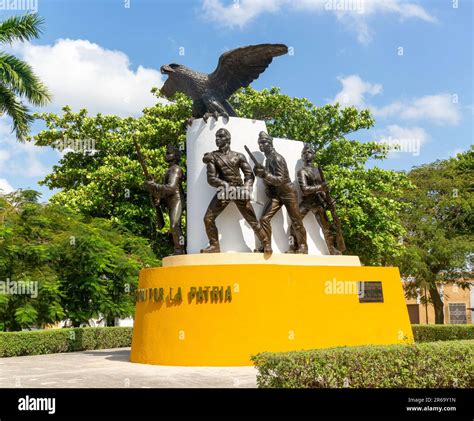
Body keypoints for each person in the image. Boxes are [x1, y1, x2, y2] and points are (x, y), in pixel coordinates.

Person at [201, 128, 270, 253]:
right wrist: (225, 185)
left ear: (228, 139)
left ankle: (266, 245)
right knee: (208, 218)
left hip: (239, 191)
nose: (217, 139)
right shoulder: (213, 157)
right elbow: (211, 179)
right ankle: (214, 246)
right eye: (216, 137)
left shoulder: (239, 156)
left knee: (252, 220)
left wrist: (246, 188)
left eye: (220, 136)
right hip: (224, 191)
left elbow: (249, 175)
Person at [254, 131, 308, 254]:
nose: (261, 145)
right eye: (259, 143)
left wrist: (264, 174)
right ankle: (266, 245)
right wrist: (261, 174)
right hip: (277, 194)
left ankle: (302, 246)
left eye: (263, 142)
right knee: (264, 219)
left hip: (288, 193)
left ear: (270, 143)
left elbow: (280, 179)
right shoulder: (268, 160)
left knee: (296, 221)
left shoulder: (276, 158)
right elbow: (270, 181)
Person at [289, 143, 342, 255]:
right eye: (304, 153)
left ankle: (332, 249)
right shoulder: (302, 172)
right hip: (307, 202)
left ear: (313, 155)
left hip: (318, 202)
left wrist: (330, 199)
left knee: (326, 227)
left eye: (309, 152)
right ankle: (293, 246)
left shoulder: (318, 170)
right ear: (302, 157)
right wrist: (320, 187)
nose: (306, 155)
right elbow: (305, 189)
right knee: (294, 224)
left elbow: (324, 189)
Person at [145, 144, 185, 255]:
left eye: (169, 153)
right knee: (173, 226)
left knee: (174, 225)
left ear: (175, 156)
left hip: (176, 200)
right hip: (170, 201)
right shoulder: (169, 170)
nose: (166, 155)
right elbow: (165, 191)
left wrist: (154, 185)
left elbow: (171, 188)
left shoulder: (176, 169)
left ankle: (180, 250)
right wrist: (158, 198)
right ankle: (178, 248)